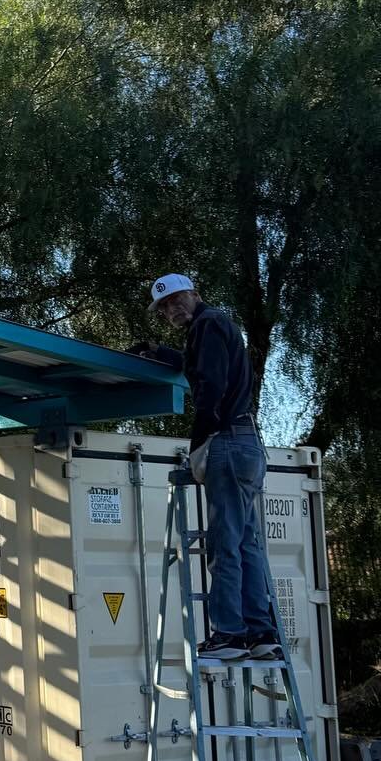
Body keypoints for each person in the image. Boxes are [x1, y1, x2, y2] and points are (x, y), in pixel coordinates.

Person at [136, 273, 280, 664]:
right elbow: (202, 368)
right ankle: (261, 632)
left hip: (228, 442)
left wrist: (200, 440)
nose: (171, 309)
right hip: (246, 442)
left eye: (176, 299)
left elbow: (211, 385)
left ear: (195, 293)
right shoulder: (212, 327)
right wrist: (166, 356)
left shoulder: (208, 324)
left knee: (224, 545)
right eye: (164, 306)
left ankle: (229, 633)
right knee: (246, 542)